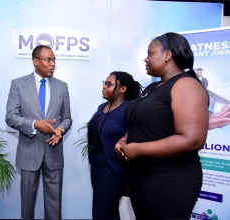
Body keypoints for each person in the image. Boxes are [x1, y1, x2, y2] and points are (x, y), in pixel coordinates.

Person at [114, 32, 209, 220]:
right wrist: (124, 139)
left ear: (168, 55)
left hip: (169, 180)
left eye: (150, 53)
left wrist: (138, 149)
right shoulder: (152, 88)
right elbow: (140, 123)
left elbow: (192, 139)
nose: (145, 58)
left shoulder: (186, 85)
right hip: (142, 177)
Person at [5, 45, 72, 220]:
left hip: (54, 151)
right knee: (27, 203)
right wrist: (35, 124)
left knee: (54, 203)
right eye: (48, 60)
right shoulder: (18, 84)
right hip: (29, 152)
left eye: (54, 59)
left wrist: (60, 129)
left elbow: (67, 118)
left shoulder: (62, 87)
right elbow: (11, 117)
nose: (53, 64)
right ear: (35, 61)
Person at [87, 71, 142, 220]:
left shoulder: (128, 109)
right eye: (104, 83)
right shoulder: (102, 106)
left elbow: (136, 134)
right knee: (108, 211)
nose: (104, 87)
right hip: (96, 164)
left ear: (123, 89)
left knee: (101, 213)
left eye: (109, 84)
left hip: (112, 167)